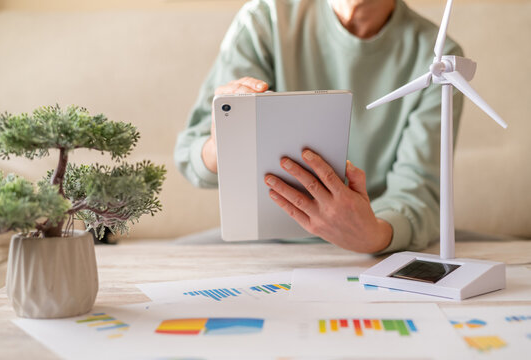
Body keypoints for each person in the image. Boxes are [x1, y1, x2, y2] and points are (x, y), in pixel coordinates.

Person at [174, 0, 463, 254]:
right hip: (263, 243)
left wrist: (374, 235)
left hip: (371, 247)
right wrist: (219, 148)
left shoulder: (440, 62)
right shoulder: (264, 20)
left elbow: (418, 192)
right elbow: (190, 154)